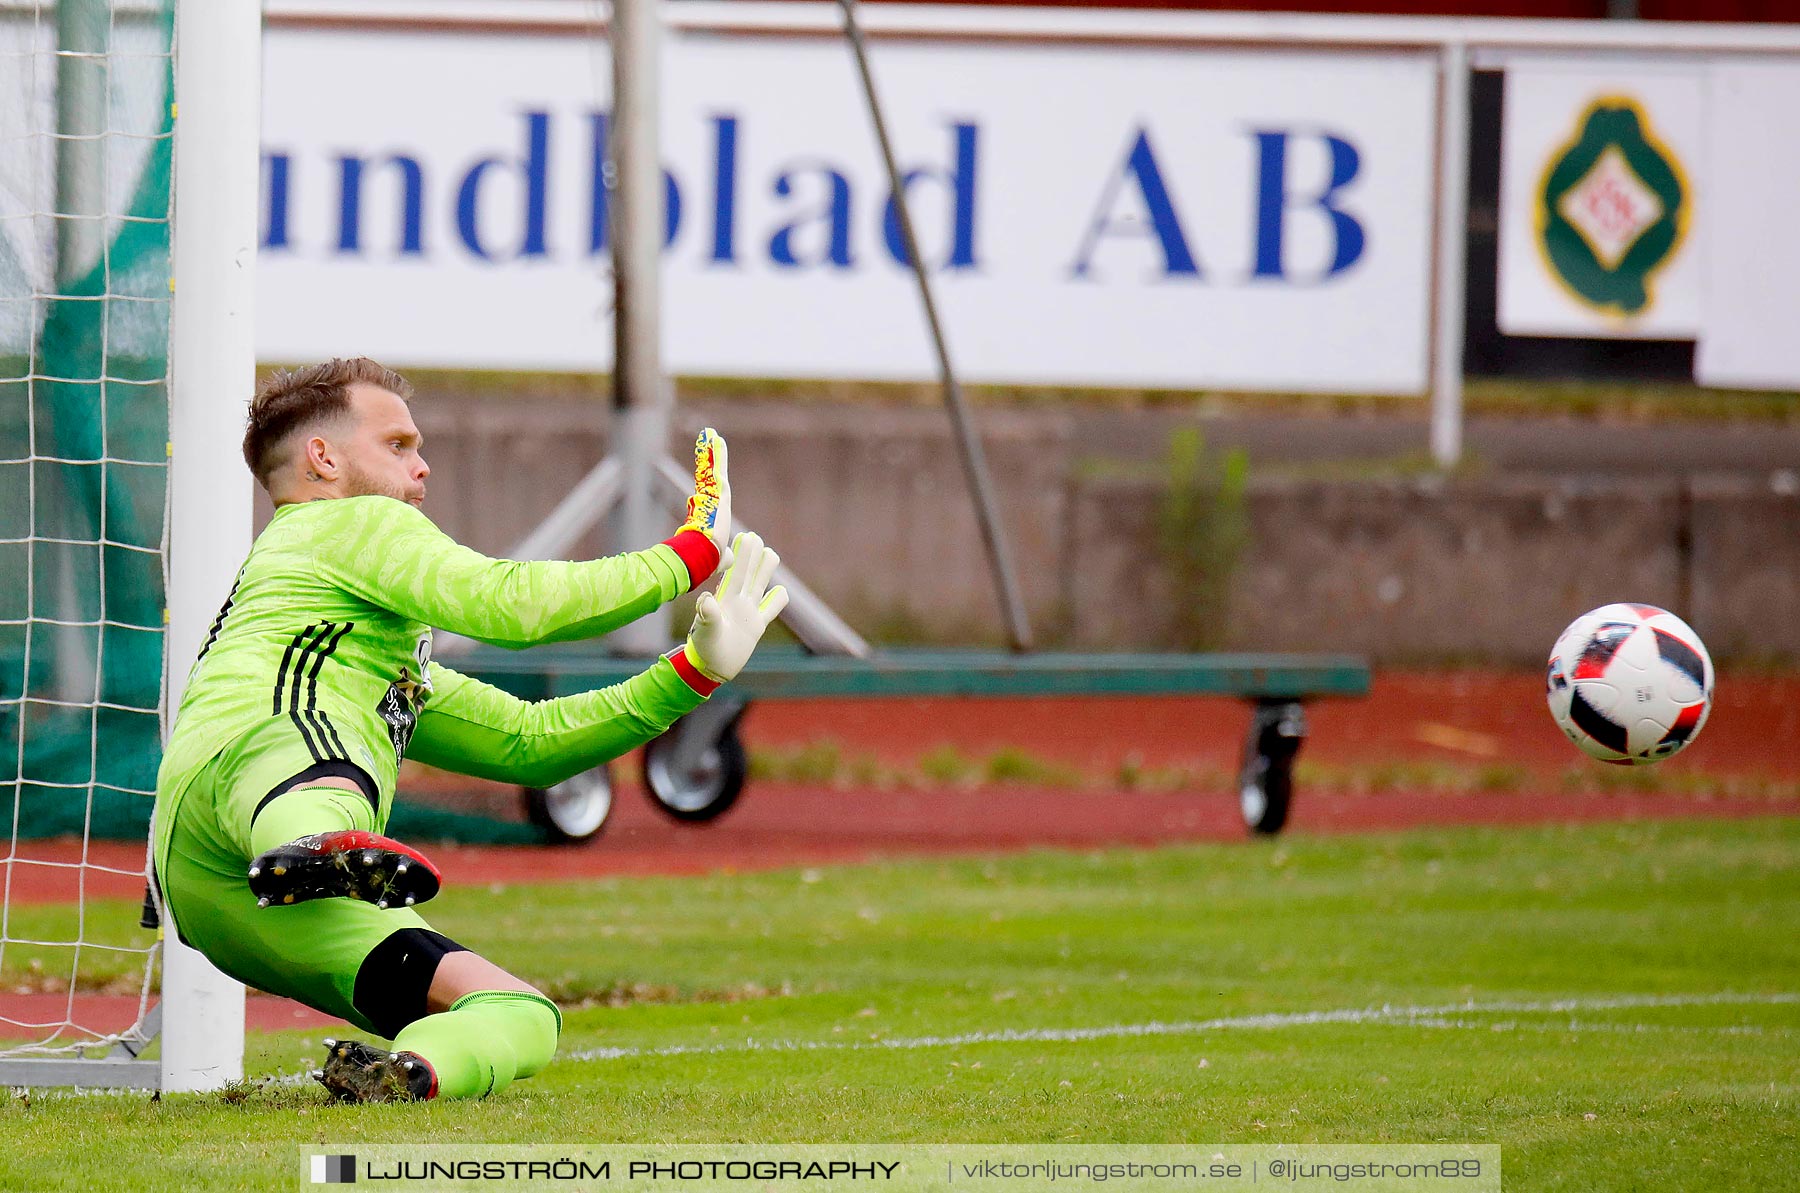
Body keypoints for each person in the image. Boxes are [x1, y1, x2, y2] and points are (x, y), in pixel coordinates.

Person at [150, 357, 787, 1102]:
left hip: (210, 892)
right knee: (316, 752)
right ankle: (312, 841)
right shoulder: (342, 521)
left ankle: (410, 1072)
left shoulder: (374, 655)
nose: (422, 468)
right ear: (323, 459)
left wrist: (692, 672)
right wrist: (689, 556)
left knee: (521, 1013)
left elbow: (532, 742)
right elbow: (507, 604)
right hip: (255, 783)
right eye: (398, 445)